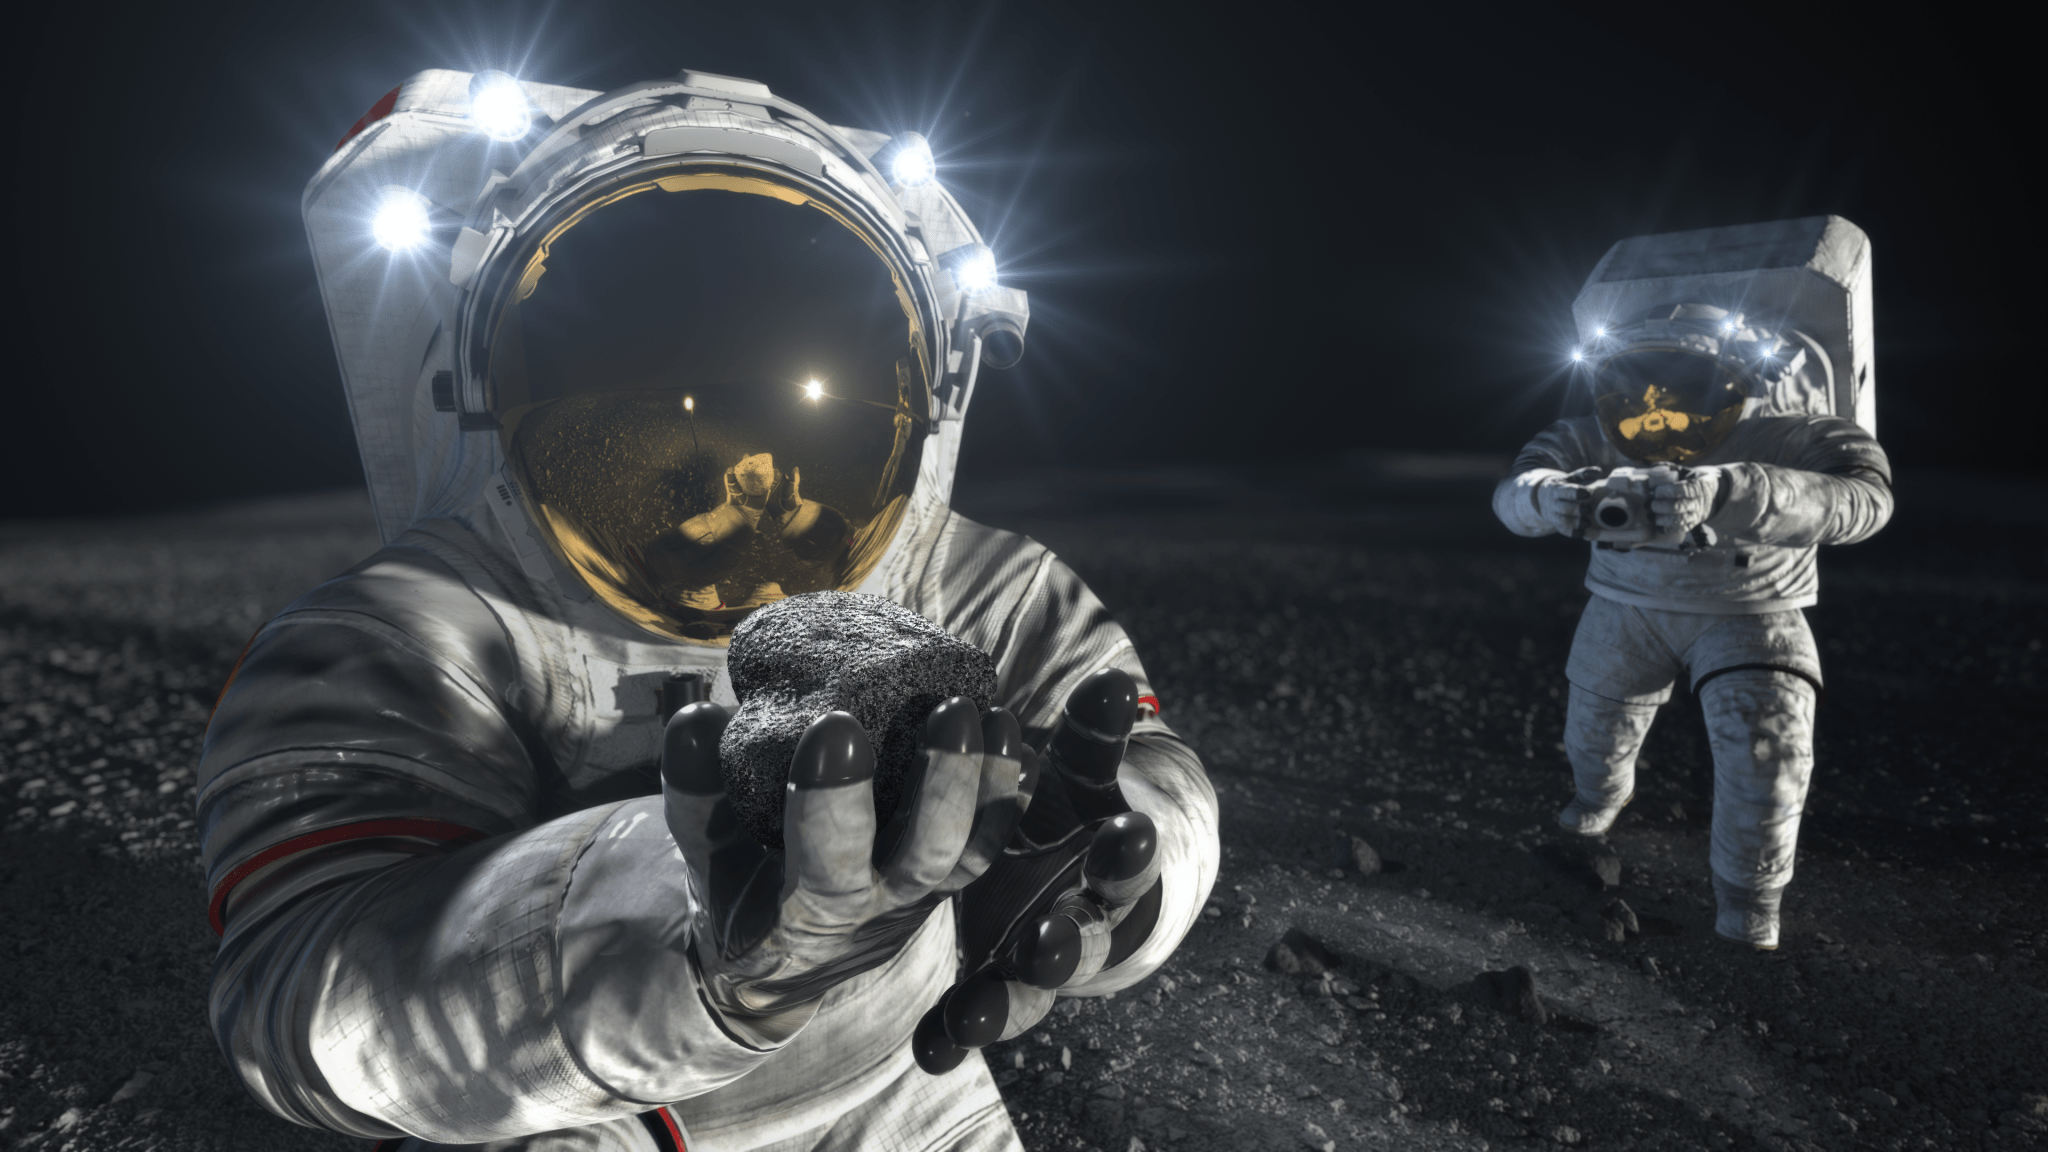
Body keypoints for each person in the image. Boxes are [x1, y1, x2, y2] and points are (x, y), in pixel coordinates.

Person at [199, 66, 1218, 1151]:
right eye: (676, 420)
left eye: (788, 418)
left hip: (900, 1086)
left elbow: (1143, 765)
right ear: (492, 399)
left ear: (917, 412)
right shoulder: (409, 632)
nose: (752, 463)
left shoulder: (978, 589)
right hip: (599, 1114)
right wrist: (679, 942)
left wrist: (1116, 877)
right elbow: (296, 997)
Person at [1491, 217, 1892, 950]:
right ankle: (1599, 798)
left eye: (1681, 386)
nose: (1656, 409)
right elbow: (1517, 483)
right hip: (1626, 607)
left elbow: (1867, 499)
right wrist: (1545, 496)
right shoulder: (1592, 432)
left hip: (1751, 611)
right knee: (1594, 739)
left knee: (1765, 759)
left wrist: (1735, 491)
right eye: (1639, 385)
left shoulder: (1795, 432)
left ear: (1741, 378)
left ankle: (1749, 899)